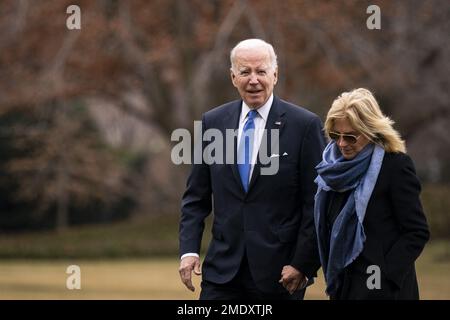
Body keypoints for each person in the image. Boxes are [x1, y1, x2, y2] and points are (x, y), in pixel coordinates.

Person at [178, 39, 325, 299]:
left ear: (275, 75)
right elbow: (195, 198)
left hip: (280, 275)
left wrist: (303, 263)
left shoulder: (304, 125)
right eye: (245, 72)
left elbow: (315, 204)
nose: (253, 80)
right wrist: (189, 251)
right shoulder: (213, 122)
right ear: (233, 77)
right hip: (221, 274)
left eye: (261, 71)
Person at [314, 88, 430, 300]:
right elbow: (324, 229)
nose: (341, 144)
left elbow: (416, 232)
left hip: (384, 290)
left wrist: (384, 276)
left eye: (350, 137)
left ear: (370, 131)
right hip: (344, 285)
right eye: (335, 135)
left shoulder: (395, 166)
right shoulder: (330, 172)